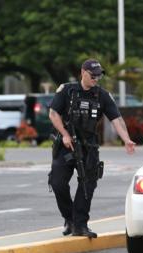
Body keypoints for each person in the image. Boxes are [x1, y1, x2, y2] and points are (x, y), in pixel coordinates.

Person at [48, 59, 135, 238]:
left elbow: (116, 119)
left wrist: (126, 139)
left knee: (87, 185)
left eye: (98, 75)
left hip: (88, 148)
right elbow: (53, 113)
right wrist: (64, 134)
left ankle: (80, 225)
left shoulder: (102, 95)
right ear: (83, 72)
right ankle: (69, 218)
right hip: (66, 144)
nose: (96, 78)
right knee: (57, 183)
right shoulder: (67, 91)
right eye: (93, 75)